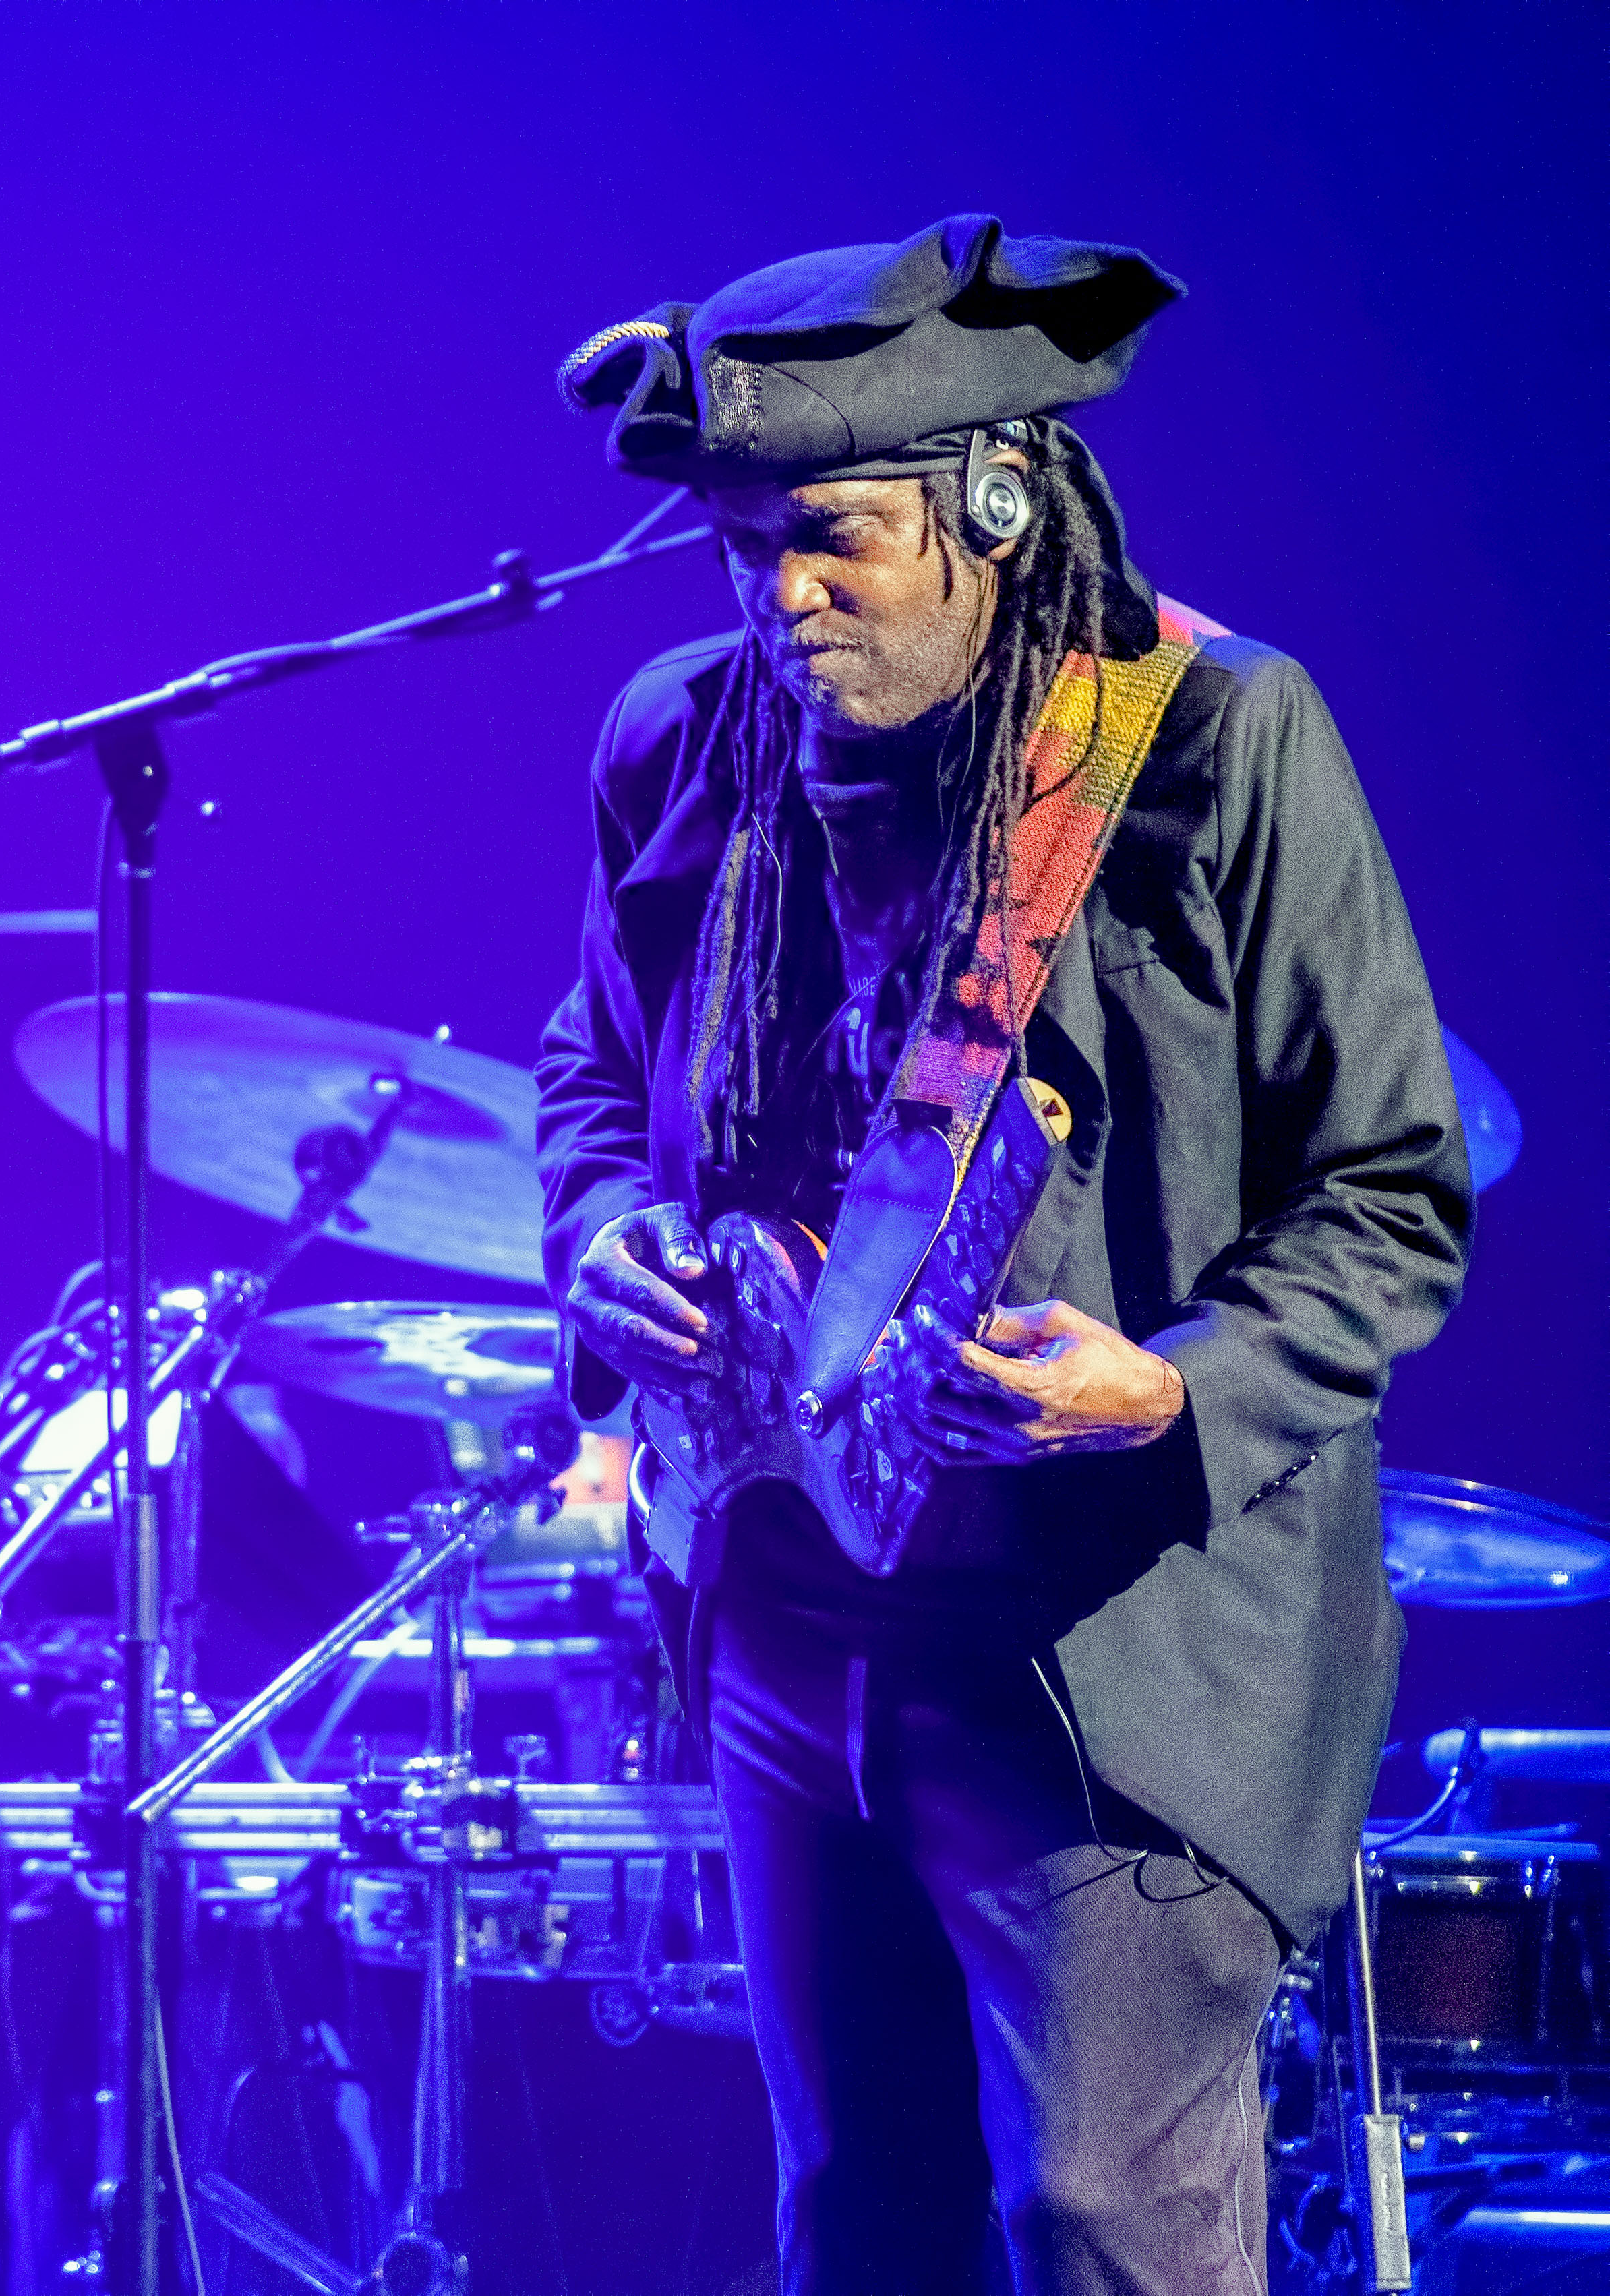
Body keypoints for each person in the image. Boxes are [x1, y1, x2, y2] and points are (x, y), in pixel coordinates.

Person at [536, 216, 1472, 2293]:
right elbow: (592, 1080)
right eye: (742, 548)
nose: (780, 594)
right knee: (858, 2217)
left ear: (991, 503)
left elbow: (1394, 1191)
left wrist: (1172, 1387)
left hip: (1101, 1648)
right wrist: (599, 1240)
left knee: (1097, 2226)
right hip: (788, 1613)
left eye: (834, 539)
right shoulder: (680, 743)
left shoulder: (1221, 739)